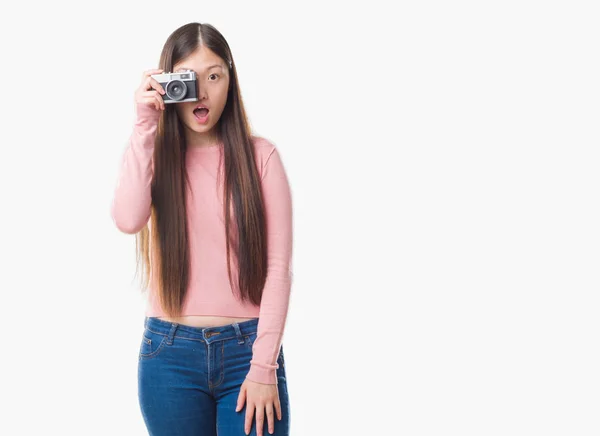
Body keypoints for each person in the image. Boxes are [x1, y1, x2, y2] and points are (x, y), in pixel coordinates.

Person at [110, 22, 293, 436]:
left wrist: (264, 367)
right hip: (168, 356)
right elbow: (127, 219)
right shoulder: (153, 152)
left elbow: (278, 269)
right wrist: (144, 125)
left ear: (231, 78)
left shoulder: (261, 157)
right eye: (188, 79)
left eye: (214, 76)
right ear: (168, 83)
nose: (203, 91)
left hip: (249, 351)